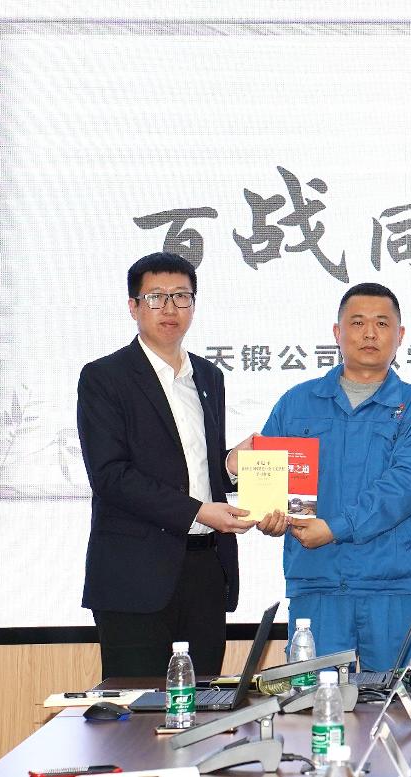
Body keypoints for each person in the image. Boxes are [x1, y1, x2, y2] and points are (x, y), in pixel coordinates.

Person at [240, 282, 411, 672]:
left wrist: (336, 527)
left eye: (382, 323)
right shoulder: (297, 402)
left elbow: (407, 484)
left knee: (402, 704)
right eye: (357, 322)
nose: (369, 333)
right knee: (312, 702)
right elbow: (268, 484)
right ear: (337, 332)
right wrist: (269, 517)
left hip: (392, 586)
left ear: (400, 335)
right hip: (317, 581)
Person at [77, 252, 255, 678]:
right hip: (134, 575)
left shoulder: (209, 377)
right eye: (156, 297)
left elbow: (193, 469)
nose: (170, 308)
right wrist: (197, 511)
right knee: (138, 704)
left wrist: (231, 467)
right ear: (133, 307)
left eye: (181, 296)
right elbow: (110, 476)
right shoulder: (105, 377)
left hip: (205, 571)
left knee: (205, 702)